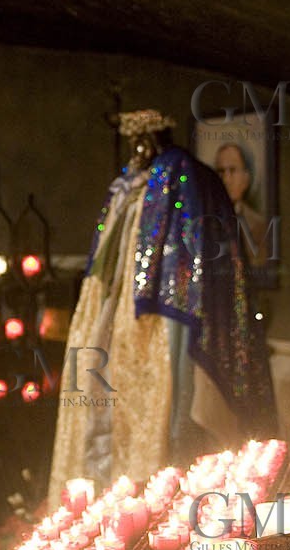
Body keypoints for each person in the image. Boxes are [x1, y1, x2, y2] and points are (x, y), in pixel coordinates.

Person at [48, 110, 275, 504]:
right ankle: (111, 502)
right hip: (118, 311)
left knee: (175, 410)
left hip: (170, 316)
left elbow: (199, 258)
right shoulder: (126, 185)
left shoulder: (184, 176)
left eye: (143, 140)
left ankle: (164, 499)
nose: (137, 150)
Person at [214, 140, 269, 267]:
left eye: (232, 170)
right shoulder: (207, 221)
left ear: (246, 177)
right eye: (221, 171)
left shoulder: (259, 225)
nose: (226, 179)